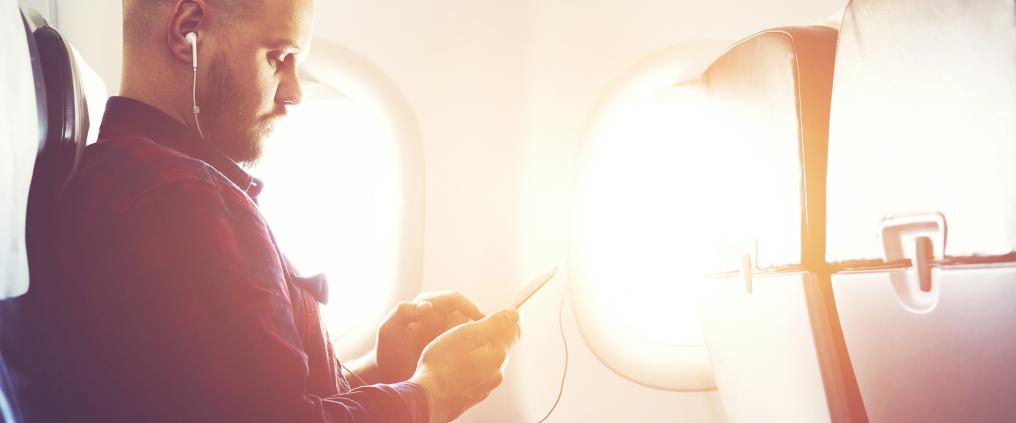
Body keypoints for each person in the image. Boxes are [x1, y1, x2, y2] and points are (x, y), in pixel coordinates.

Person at [1, 0, 520, 421]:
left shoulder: (173, 185)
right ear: (187, 30)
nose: (293, 92)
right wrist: (428, 395)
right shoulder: (179, 203)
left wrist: (385, 368)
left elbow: (256, 403)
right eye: (278, 56)